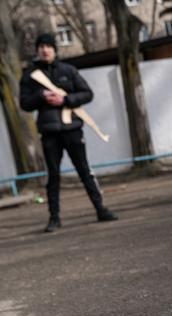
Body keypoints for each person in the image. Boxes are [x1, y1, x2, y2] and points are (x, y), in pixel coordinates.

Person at [19, 33, 118, 233]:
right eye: (41, 46)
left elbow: (87, 93)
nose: (45, 49)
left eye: (48, 46)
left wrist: (65, 100)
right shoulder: (30, 75)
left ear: (55, 49)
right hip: (49, 132)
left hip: (72, 129)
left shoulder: (68, 70)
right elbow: (24, 104)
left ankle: (101, 209)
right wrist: (41, 96)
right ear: (37, 50)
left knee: (85, 171)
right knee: (53, 177)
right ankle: (54, 218)